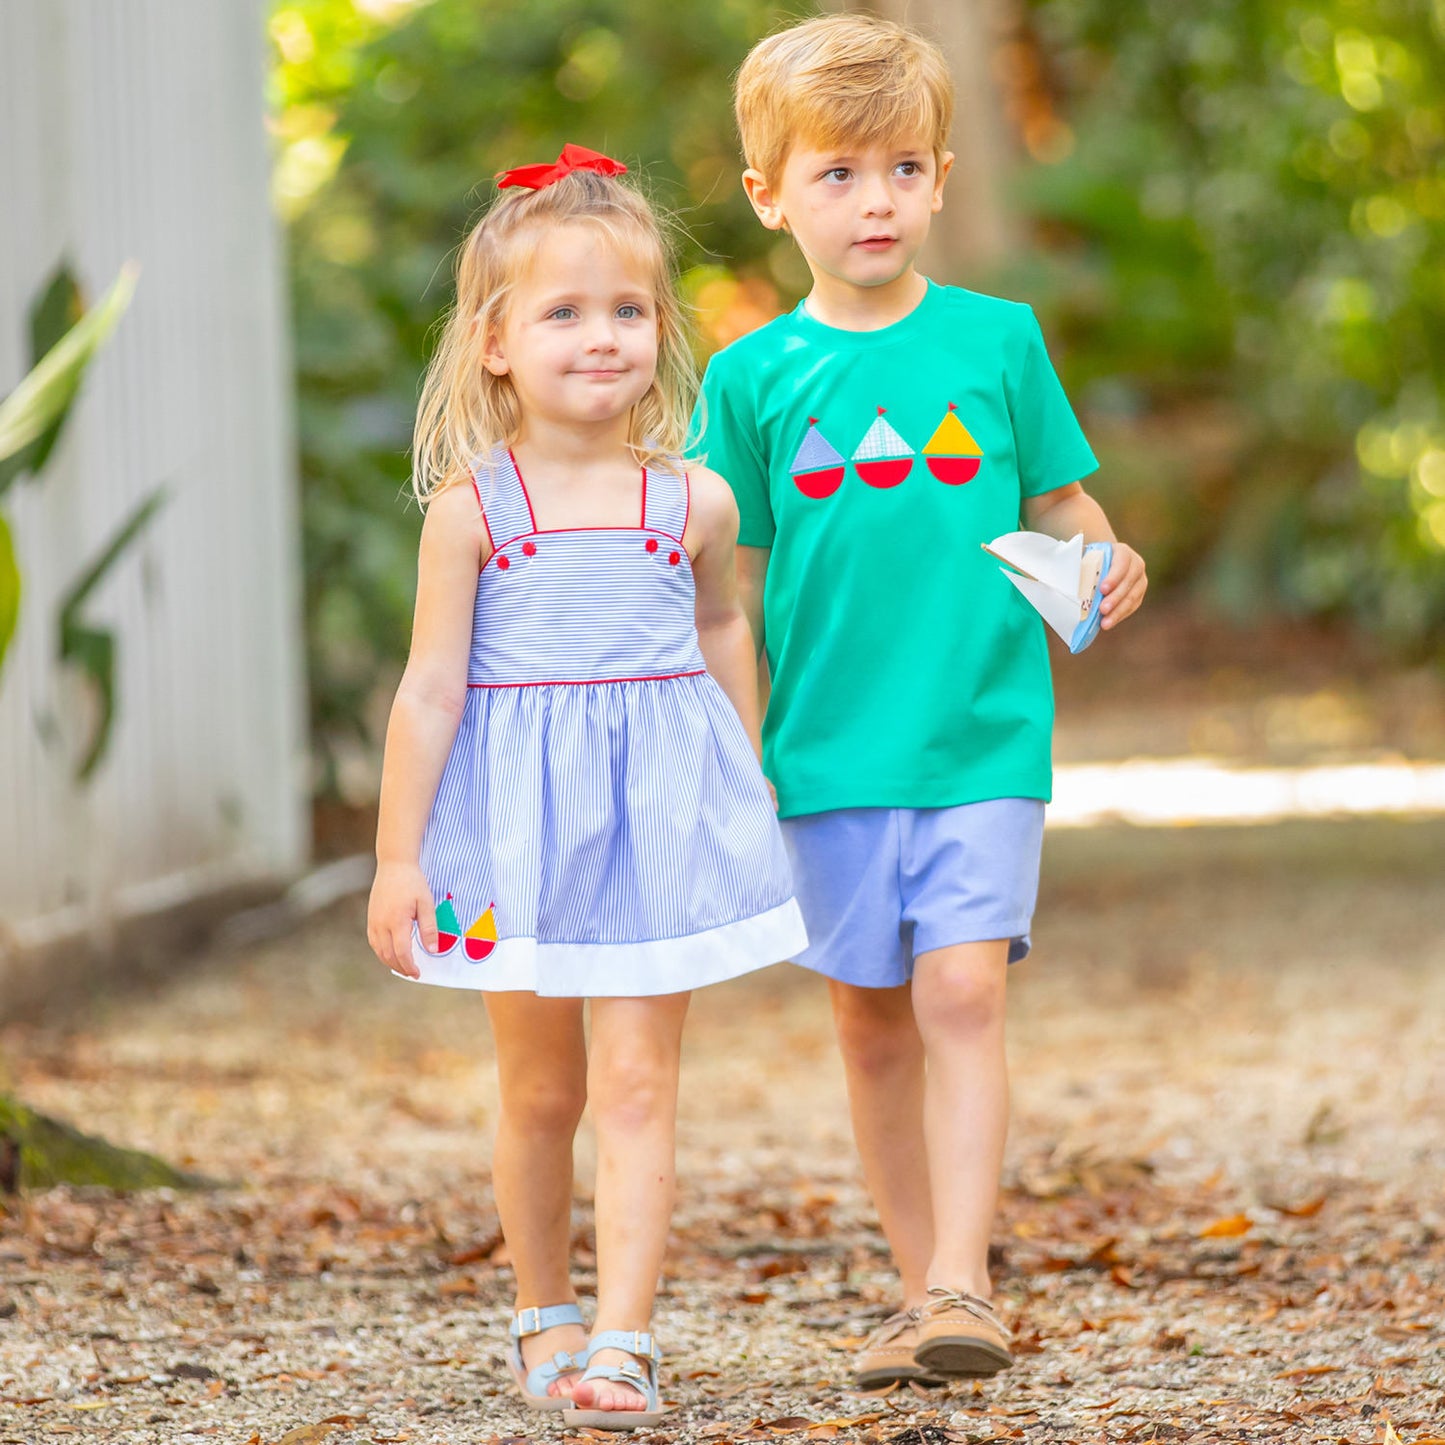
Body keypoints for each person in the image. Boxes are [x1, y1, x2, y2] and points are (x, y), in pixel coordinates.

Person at [693, 15, 1148, 1390]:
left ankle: (965, 1277)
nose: (873, 200)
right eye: (835, 175)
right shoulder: (749, 377)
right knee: (868, 1017)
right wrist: (740, 751)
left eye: (899, 168)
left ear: (941, 178)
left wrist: (1106, 552)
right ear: (770, 195)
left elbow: (1059, 500)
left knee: (960, 988)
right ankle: (916, 1292)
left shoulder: (997, 341)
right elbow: (735, 586)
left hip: (982, 735)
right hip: (825, 751)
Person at [366, 143, 806, 1429]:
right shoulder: (472, 512)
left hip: (657, 826)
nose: (600, 336)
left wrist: (747, 770)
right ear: (495, 341)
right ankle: (541, 1309)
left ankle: (624, 1339)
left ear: (659, 329)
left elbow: (721, 631)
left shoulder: (695, 499)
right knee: (541, 1090)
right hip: (511, 836)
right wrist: (400, 857)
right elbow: (429, 691)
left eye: (626, 310)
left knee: (635, 1087)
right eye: (563, 312)